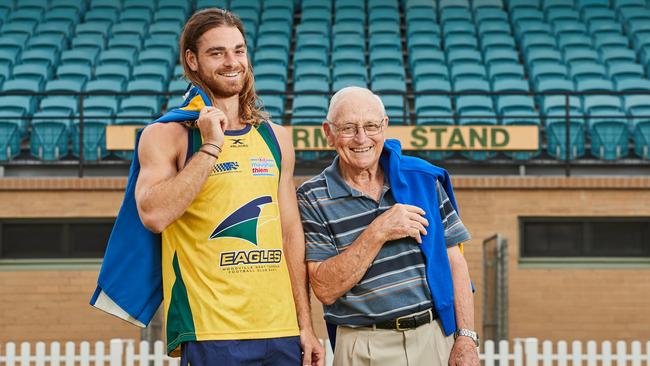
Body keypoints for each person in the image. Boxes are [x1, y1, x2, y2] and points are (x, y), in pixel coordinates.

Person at [134, 8, 323, 366]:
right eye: (216, 52)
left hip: (279, 328)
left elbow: (289, 233)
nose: (231, 61)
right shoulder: (166, 136)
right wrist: (210, 147)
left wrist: (304, 323)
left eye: (238, 50)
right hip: (211, 330)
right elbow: (154, 214)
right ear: (192, 60)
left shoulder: (276, 138)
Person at [297, 87, 480, 366]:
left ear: (385, 127)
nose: (362, 138)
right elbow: (325, 288)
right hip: (362, 345)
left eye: (371, 126)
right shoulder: (312, 196)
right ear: (329, 133)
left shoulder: (422, 178)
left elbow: (456, 263)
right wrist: (378, 231)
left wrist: (466, 337)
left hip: (433, 337)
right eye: (348, 128)